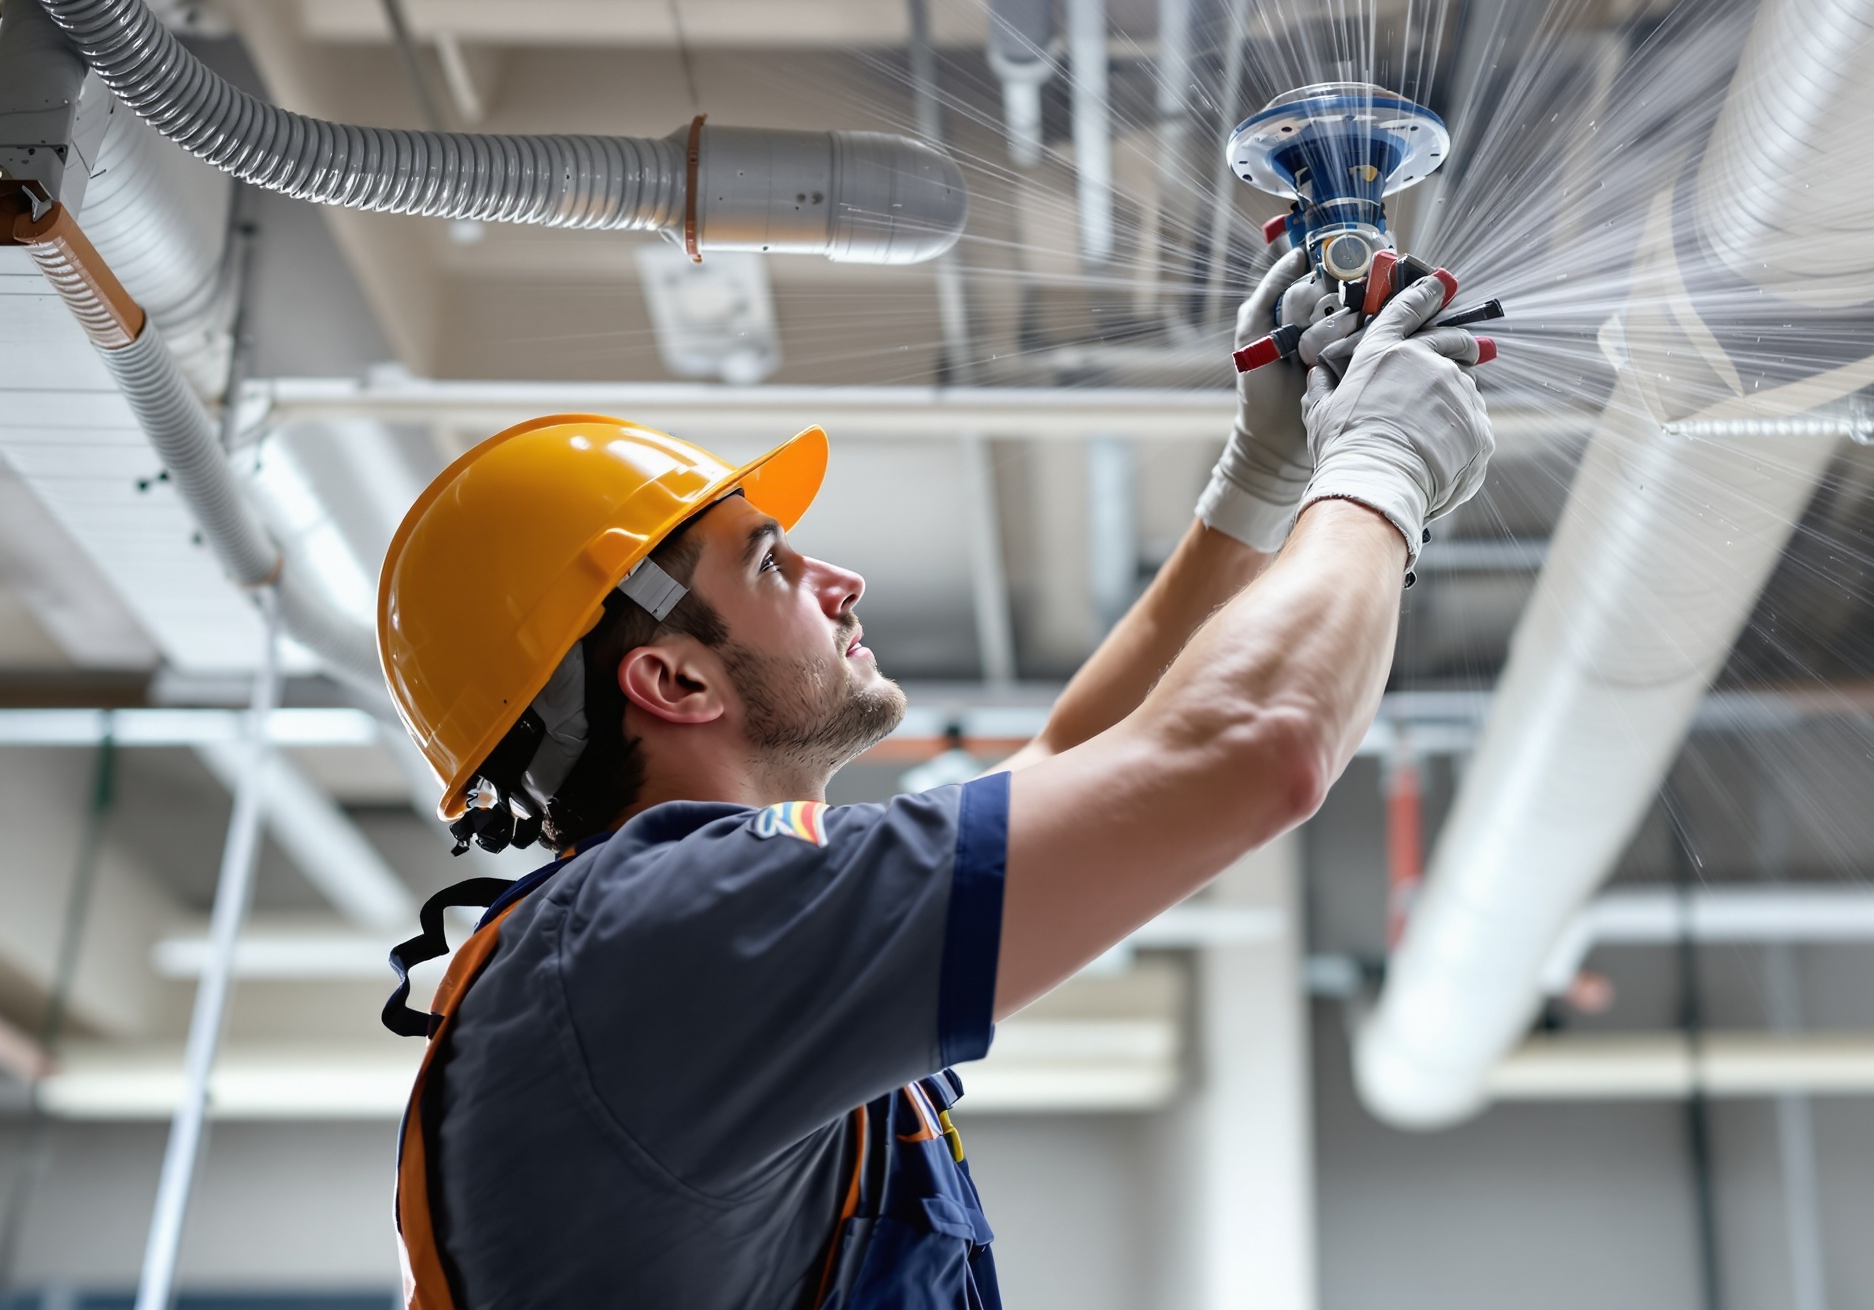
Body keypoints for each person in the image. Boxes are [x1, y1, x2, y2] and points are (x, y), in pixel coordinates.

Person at [373, 261, 1492, 1310]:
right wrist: (1381, 471)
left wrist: (1270, 471)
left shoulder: (653, 945)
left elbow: (1070, 768)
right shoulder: (666, 938)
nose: (839, 579)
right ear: (671, 678)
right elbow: (1256, 748)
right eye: (772, 563)